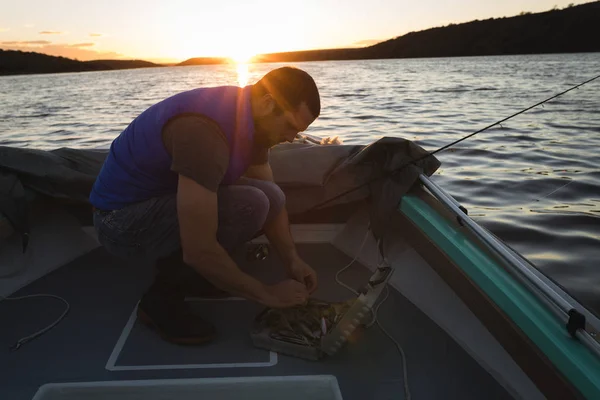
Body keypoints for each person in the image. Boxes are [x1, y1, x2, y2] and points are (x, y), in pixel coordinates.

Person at [89, 66, 321, 345]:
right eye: (290, 127)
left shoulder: (253, 121)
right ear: (268, 103)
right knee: (249, 204)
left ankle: (199, 277)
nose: (291, 138)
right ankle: (160, 300)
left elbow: (273, 197)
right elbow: (199, 248)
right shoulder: (203, 133)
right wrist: (267, 294)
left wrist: (292, 260)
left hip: (157, 203)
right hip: (119, 223)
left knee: (268, 197)